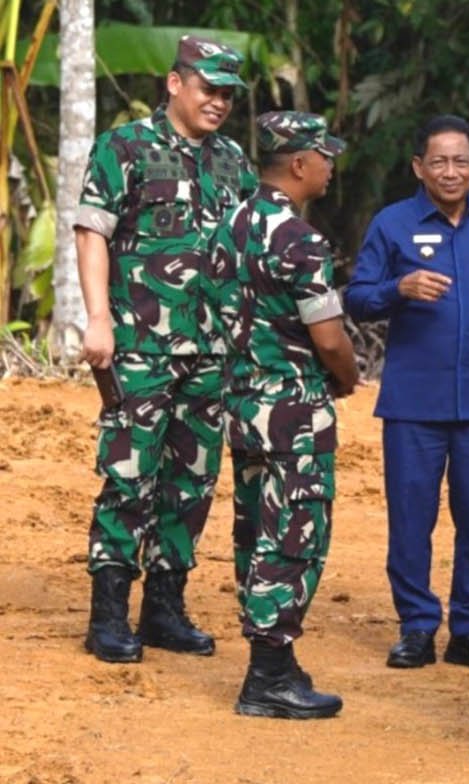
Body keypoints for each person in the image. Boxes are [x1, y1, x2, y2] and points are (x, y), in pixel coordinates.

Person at [75, 35, 257, 663]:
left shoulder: (235, 162)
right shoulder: (123, 148)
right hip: (140, 347)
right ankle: (108, 613)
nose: (219, 102)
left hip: (213, 353)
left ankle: (164, 608)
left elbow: (249, 250)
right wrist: (97, 318)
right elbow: (92, 231)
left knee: (192, 481)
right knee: (129, 475)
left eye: (228, 93)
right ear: (175, 83)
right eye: (209, 89)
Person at [345, 115, 469, 673]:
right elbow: (356, 298)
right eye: (438, 162)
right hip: (413, 402)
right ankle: (417, 625)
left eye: (460, 161)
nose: (450, 172)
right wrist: (396, 289)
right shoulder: (393, 223)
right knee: (412, 517)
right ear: (418, 168)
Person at [209, 112, 357, 718]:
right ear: (299, 164)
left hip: (242, 403)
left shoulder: (230, 224)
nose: (330, 167)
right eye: (325, 157)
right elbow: (327, 337)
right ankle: (268, 673)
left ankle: (274, 660)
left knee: (254, 528)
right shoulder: (297, 239)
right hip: (293, 409)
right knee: (294, 534)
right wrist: (347, 378)